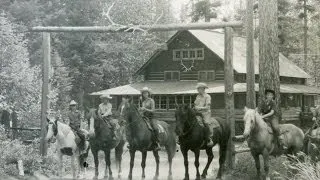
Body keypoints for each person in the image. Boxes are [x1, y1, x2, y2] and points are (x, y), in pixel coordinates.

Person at [139, 87, 161, 151]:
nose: (145, 94)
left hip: (151, 117)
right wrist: (140, 111)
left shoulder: (151, 100)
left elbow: (153, 110)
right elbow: (142, 111)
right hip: (144, 117)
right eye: (143, 93)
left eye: (146, 93)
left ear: (148, 93)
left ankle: (157, 143)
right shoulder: (142, 101)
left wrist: (145, 109)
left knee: (155, 128)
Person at [194, 82, 214, 147]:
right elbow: (195, 105)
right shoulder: (198, 96)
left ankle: (209, 138)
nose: (197, 90)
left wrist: (199, 108)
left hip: (206, 113)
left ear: (203, 89)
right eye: (197, 89)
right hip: (197, 113)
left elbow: (207, 107)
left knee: (206, 123)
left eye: (199, 89)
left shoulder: (208, 96)